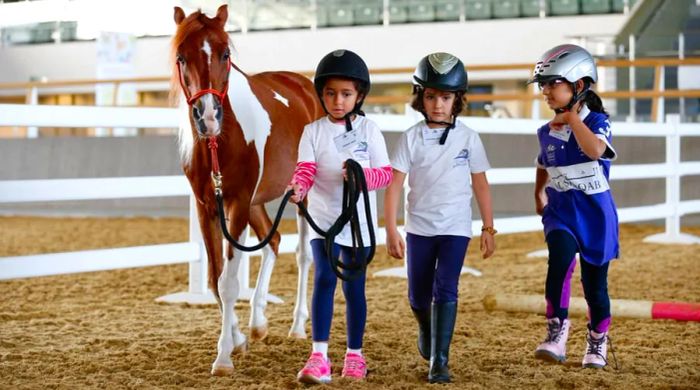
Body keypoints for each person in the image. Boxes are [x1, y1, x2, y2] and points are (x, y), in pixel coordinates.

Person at [384, 52, 496, 384]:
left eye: (445, 97)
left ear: (456, 100)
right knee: (418, 296)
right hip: (418, 228)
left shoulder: (468, 138)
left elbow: (481, 183)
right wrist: (391, 229)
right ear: (421, 97)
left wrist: (488, 227)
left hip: (455, 228)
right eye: (431, 96)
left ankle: (439, 360)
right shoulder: (411, 137)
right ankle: (426, 327)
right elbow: (394, 185)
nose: (437, 104)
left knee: (446, 287)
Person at [287, 49, 392, 384]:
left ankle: (354, 355)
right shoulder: (312, 131)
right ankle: (318, 355)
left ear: (358, 95)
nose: (338, 100)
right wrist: (299, 188)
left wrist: (362, 177)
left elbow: (385, 174)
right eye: (330, 93)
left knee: (354, 288)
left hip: (358, 224)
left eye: (346, 94)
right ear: (322, 94)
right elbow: (306, 168)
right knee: (324, 279)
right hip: (324, 221)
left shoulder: (370, 130)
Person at [527, 44, 619, 369]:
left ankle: (597, 339)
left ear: (578, 85)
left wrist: (571, 119)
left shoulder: (597, 122)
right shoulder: (544, 132)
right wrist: (539, 192)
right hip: (562, 211)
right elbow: (543, 162)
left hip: (596, 216)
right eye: (544, 84)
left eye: (554, 83)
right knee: (560, 262)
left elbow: (594, 150)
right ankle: (556, 332)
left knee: (596, 286)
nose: (545, 91)